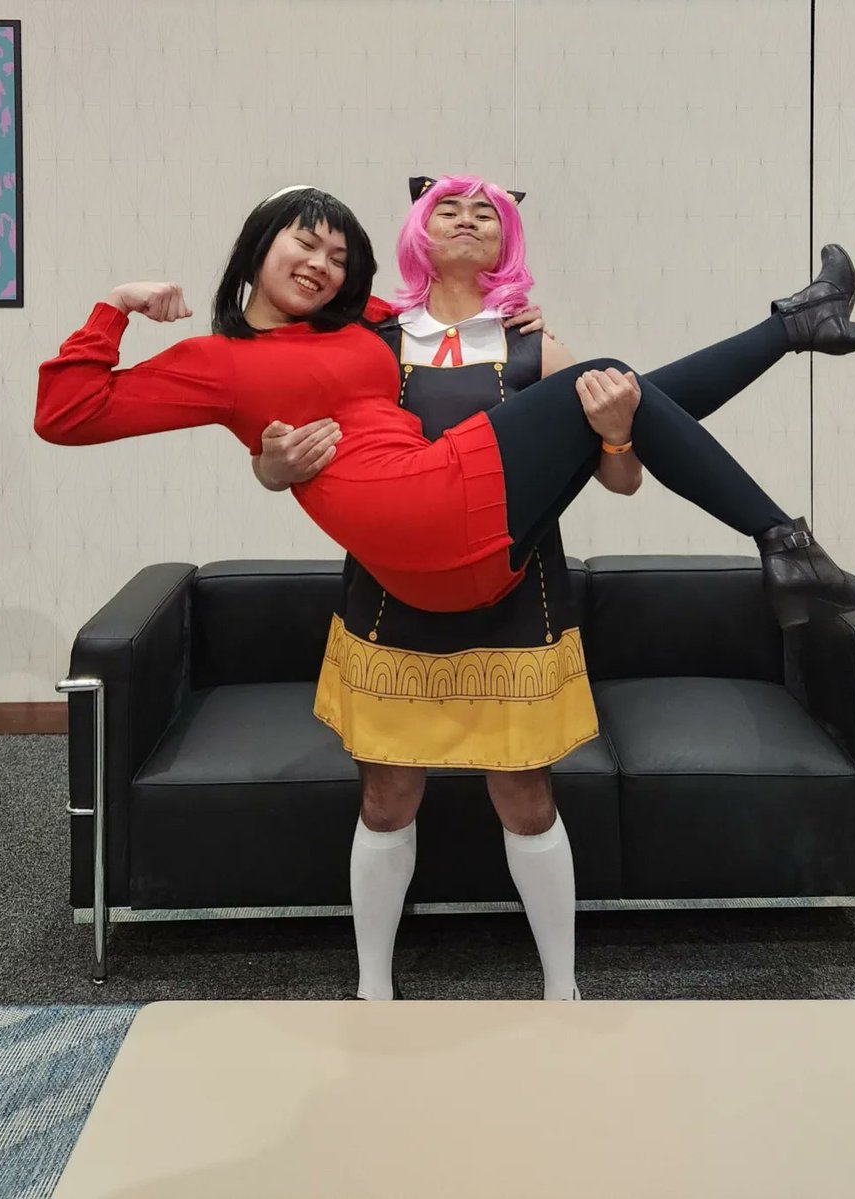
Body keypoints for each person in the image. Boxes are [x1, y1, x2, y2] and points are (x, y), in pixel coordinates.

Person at [35, 185, 855, 636]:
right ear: (257, 246)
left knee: (619, 390)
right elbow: (66, 412)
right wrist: (117, 304)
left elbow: (445, 305)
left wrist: (515, 317)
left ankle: (795, 332)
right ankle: (786, 517)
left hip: (468, 547)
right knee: (610, 377)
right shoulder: (216, 362)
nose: (323, 264)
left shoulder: (365, 324)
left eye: (339, 255)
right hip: (419, 510)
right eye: (305, 242)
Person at [253, 175, 642, 1001]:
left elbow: (622, 480)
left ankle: (563, 987)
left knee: (525, 794)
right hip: (391, 596)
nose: (467, 222)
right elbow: (276, 443)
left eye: (485, 214)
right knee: (386, 794)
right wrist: (272, 464)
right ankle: (373, 989)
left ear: (507, 240)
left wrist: (616, 438)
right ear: (417, 235)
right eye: (448, 210)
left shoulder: (540, 347)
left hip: (516, 592)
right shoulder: (369, 341)